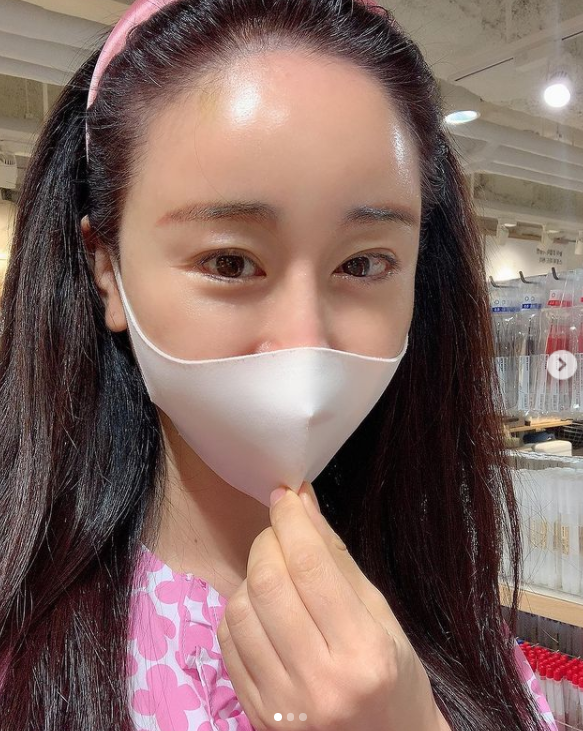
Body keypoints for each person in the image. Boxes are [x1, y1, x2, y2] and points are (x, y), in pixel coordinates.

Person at [0, 0, 558, 729]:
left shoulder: (449, 610)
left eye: (364, 263)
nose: (303, 340)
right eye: (229, 262)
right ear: (106, 266)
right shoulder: (23, 647)